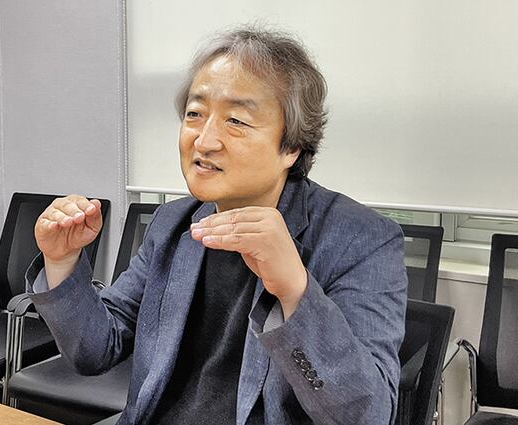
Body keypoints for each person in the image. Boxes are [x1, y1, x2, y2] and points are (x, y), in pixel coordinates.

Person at [27, 26, 407, 425]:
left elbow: (368, 415)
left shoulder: (361, 240)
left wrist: (295, 291)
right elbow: (95, 351)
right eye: (195, 114)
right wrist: (63, 261)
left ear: (292, 147)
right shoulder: (172, 223)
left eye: (236, 120)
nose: (204, 141)